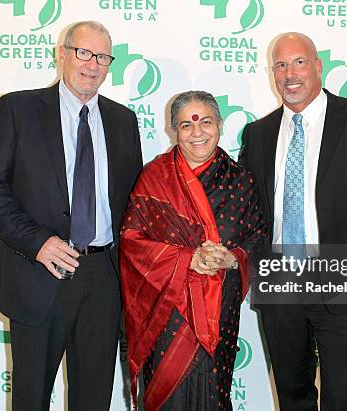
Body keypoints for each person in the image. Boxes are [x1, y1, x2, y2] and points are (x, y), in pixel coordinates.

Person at [0, 21, 143, 411]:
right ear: (62, 54)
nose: (92, 64)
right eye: (84, 52)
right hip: (39, 272)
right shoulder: (18, 108)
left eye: (102, 57)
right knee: (31, 398)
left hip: (104, 278)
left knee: (93, 400)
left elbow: (135, 203)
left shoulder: (123, 121)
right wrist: (38, 242)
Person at [239, 33, 347, 410]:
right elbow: (248, 213)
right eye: (280, 65)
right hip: (280, 287)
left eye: (298, 62)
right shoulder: (259, 134)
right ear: (271, 73)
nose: (289, 73)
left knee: (343, 398)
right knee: (292, 397)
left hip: (345, 286)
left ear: (317, 66)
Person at [119, 91, 267, 410]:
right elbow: (131, 241)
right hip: (166, 312)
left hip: (219, 312)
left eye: (206, 122)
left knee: (214, 394)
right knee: (168, 396)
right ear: (174, 131)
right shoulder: (154, 178)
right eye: (186, 125)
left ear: (220, 125)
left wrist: (233, 258)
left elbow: (257, 239)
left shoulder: (241, 181)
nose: (197, 132)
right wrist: (187, 260)